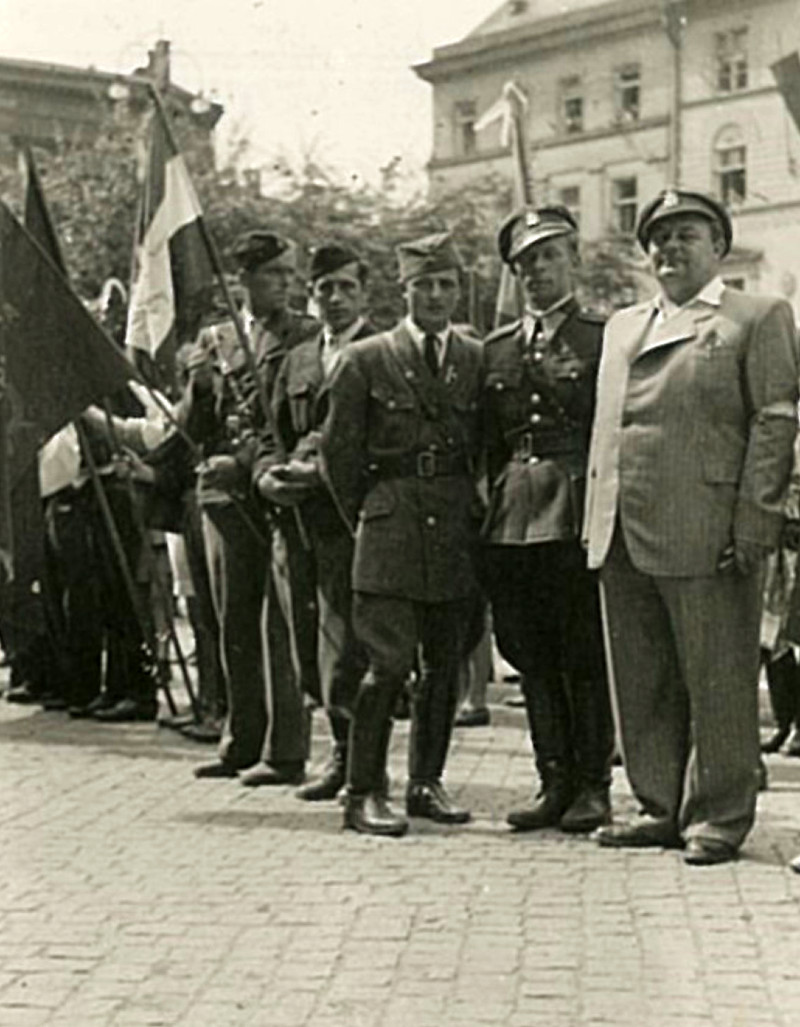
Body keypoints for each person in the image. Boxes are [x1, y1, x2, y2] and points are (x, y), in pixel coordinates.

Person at [584, 187, 799, 865]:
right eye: (658, 236)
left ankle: (719, 814)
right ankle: (656, 804)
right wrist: (596, 517)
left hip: (709, 526)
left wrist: (756, 517)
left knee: (718, 677)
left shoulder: (755, 315)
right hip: (623, 521)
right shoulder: (623, 324)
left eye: (686, 234)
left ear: (718, 246)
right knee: (641, 674)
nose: (669, 247)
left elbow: (775, 420)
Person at [321, 231, 484, 837]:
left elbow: (484, 442)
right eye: (424, 285)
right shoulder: (368, 359)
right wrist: (370, 514)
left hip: (453, 528)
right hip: (389, 526)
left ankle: (425, 783)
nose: (435, 295)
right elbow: (338, 457)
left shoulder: (472, 358)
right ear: (404, 290)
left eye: (446, 284)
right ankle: (362, 792)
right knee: (385, 666)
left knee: (445, 664)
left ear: (458, 290)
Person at [481, 205, 614, 834]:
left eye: (548, 257)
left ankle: (593, 784)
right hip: (512, 517)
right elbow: (488, 443)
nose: (537, 272)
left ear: (573, 261)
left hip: (576, 507)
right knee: (529, 651)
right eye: (525, 263)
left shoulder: (603, 336)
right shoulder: (497, 348)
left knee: (582, 649)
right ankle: (552, 779)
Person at [183, 230, 319, 781]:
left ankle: (285, 751)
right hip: (225, 499)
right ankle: (241, 739)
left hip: (275, 489)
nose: (286, 284)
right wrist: (194, 394)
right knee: (232, 617)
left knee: (278, 623)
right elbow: (199, 425)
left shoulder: (307, 334)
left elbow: (289, 421)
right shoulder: (215, 340)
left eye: (289, 273)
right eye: (273, 274)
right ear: (242, 279)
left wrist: (242, 463)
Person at [254, 243, 376, 801]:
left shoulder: (382, 353)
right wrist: (265, 475)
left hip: (352, 523)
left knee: (345, 645)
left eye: (346, 287)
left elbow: (381, 440)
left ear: (364, 293)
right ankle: (338, 745)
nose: (334, 299)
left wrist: (319, 471)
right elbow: (267, 430)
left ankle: (351, 759)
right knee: (306, 643)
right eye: (324, 289)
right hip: (295, 522)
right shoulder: (300, 357)